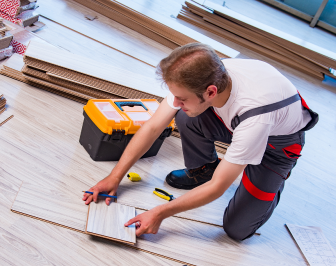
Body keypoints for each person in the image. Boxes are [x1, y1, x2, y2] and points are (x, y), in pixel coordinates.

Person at [82, 43, 318, 240]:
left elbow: (218, 188)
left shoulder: (255, 116)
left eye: (181, 97)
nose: (176, 101)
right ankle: (204, 169)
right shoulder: (206, 73)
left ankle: (273, 182)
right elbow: (154, 126)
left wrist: (159, 213)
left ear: (211, 92)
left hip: (276, 146)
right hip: (237, 125)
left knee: (237, 230)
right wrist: (114, 177)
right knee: (185, 115)